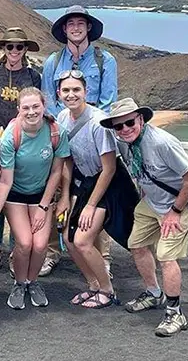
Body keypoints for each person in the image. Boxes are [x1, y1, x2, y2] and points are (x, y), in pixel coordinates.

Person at [101, 98, 188, 337]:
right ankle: (154, 293)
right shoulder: (124, 142)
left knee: (166, 257)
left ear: (141, 119)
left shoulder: (162, 143)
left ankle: (175, 312)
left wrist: (174, 212)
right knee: (137, 245)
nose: (125, 129)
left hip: (177, 205)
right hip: (151, 202)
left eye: (129, 122)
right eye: (119, 126)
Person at [40, 7, 117, 277]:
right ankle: (52, 251)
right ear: (64, 30)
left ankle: (101, 256)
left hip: (94, 133)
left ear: (88, 28)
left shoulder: (104, 60)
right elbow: (48, 98)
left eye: (80, 23)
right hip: (62, 131)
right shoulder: (52, 61)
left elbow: (108, 100)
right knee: (55, 192)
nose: (75, 28)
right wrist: (58, 128)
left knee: (97, 192)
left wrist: (89, 122)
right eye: (70, 24)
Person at [56, 71, 138, 309]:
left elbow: (109, 168)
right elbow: (68, 160)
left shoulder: (98, 123)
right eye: (66, 91)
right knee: (68, 240)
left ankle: (108, 290)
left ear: (86, 92)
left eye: (76, 90)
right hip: (84, 182)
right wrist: (65, 196)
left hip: (109, 184)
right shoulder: (63, 118)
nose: (71, 95)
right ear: (59, 94)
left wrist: (90, 206)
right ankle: (93, 284)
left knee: (82, 240)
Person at [0, 87, 70, 310]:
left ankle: (32, 282)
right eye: (26, 108)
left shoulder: (55, 132)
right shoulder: (12, 136)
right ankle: (19, 283)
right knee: (24, 243)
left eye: (36, 107)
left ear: (44, 106)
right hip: (16, 195)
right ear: (18, 110)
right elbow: (5, 181)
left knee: (40, 246)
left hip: (42, 194)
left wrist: (43, 205)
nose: (31, 112)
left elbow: (57, 172)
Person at [0, 27, 41, 273]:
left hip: (22, 139)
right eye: (10, 46)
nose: (14, 51)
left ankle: (17, 249)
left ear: (25, 49)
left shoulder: (33, 76)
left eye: (19, 47)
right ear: (3, 49)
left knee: (17, 192)